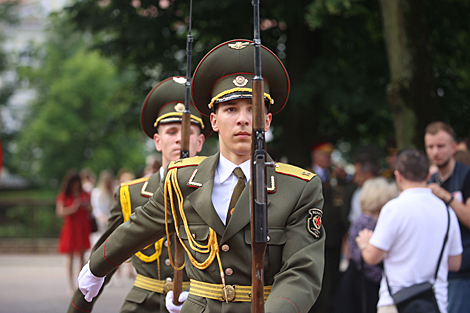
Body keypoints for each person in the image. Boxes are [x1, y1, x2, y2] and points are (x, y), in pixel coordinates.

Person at [77, 39, 325, 313]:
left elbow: (300, 271)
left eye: (253, 109)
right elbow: (137, 229)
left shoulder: (299, 188)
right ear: (214, 121)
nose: (243, 119)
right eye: (231, 109)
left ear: (266, 121)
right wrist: (95, 268)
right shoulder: (182, 180)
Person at [67, 77, 209, 313]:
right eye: (171, 131)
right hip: (144, 304)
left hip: (199, 303)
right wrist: (78, 308)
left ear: (200, 141)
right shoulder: (131, 194)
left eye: (188, 132)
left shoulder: (216, 190)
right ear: (157, 141)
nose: (179, 138)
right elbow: (106, 257)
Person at [356, 149, 463, 313]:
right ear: (428, 175)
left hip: (395, 302)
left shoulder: (393, 209)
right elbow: (455, 263)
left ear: (398, 175)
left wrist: (364, 244)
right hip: (435, 302)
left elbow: (372, 257)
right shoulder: (447, 211)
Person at [425, 121, 470, 313]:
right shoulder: (429, 181)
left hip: (463, 270)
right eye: (430, 146)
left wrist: (447, 197)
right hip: (435, 271)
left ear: (453, 147)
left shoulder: (466, 175)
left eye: (441, 146)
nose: (435, 151)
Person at [334, 177, 398, 313]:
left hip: (356, 283)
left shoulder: (362, 219)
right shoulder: (370, 223)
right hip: (364, 288)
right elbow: (366, 263)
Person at [309, 142, 349, 313]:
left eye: (329, 155)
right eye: (324, 155)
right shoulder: (307, 175)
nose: (327, 158)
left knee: (331, 277)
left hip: (333, 237)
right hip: (312, 236)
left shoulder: (335, 177)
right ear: (315, 156)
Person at [56, 170, 93, 293]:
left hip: (82, 227)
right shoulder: (64, 195)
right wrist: (73, 208)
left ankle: (80, 283)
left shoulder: (84, 194)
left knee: (82, 256)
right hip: (71, 227)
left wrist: (84, 205)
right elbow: (60, 212)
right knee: (70, 256)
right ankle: (70, 284)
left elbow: (91, 208)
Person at [90, 170, 114, 238]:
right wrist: (103, 218)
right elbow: (96, 209)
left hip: (110, 220)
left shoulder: (112, 193)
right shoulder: (96, 192)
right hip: (100, 223)